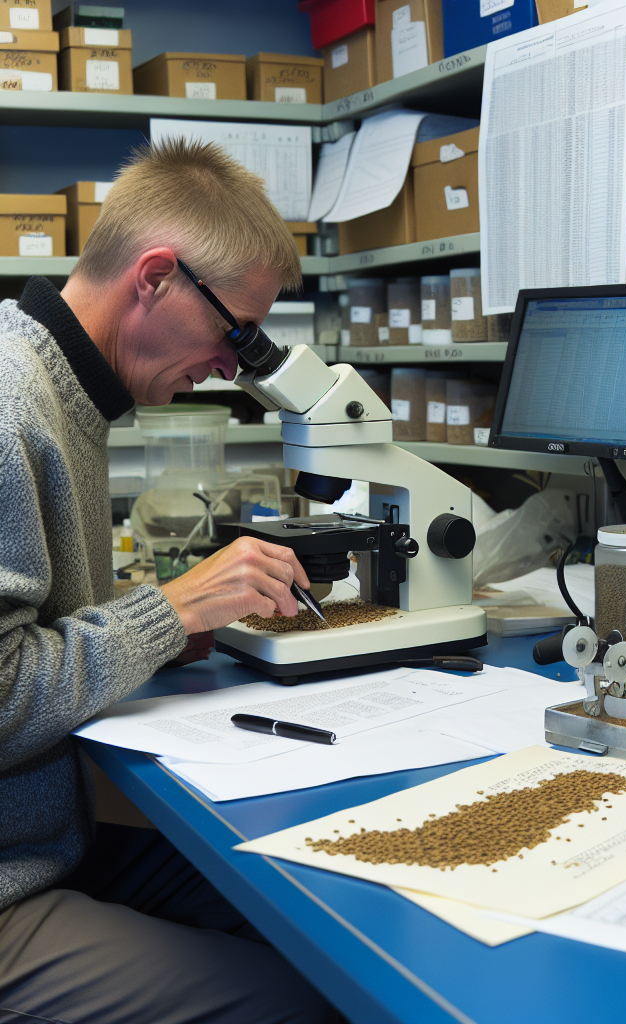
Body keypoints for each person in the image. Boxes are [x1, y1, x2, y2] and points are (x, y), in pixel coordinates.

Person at [0, 140, 336, 1023]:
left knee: (322, 912)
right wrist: (163, 612)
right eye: (236, 333)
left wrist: (161, 626)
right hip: (10, 885)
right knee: (308, 996)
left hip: (51, 842)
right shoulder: (9, 410)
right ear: (154, 278)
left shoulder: (65, 386)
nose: (235, 367)